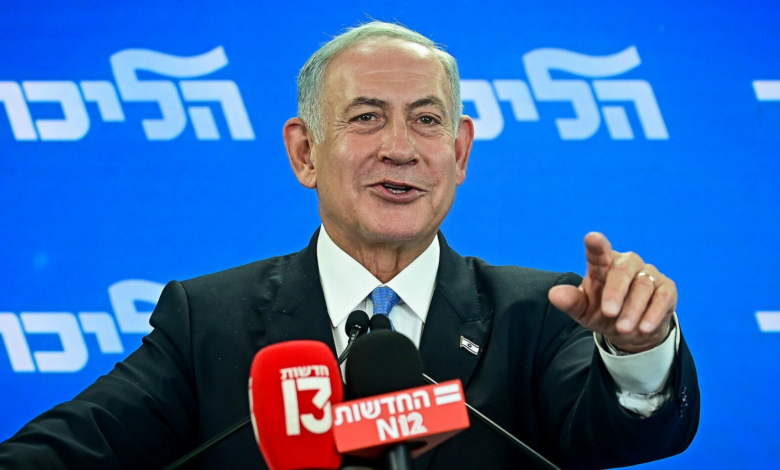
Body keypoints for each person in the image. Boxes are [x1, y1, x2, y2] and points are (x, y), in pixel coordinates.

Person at [0, 21, 699, 469]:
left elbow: (630, 434)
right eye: (366, 118)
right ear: (305, 152)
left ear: (459, 153)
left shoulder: (539, 313)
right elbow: (63, 454)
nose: (400, 149)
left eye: (427, 121)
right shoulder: (206, 320)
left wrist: (638, 352)